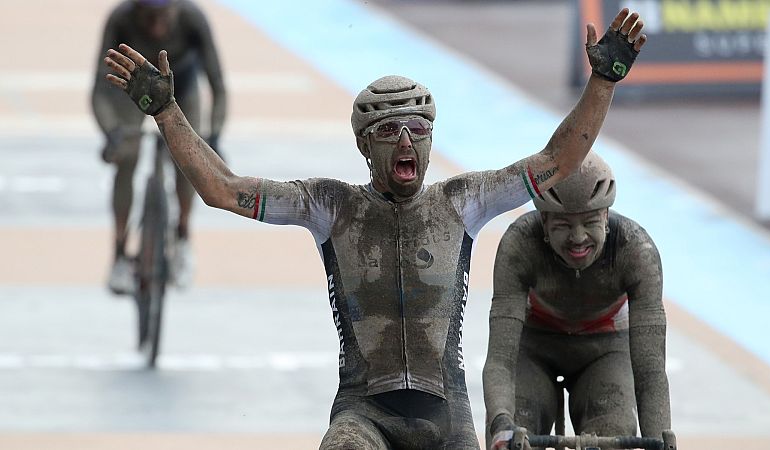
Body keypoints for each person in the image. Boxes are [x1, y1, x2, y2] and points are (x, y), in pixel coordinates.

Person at [102, 7, 645, 448]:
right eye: (390, 131)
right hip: (365, 415)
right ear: (364, 144)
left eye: (418, 130)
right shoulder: (329, 205)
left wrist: (603, 82)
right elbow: (221, 189)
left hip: (447, 419)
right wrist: (168, 111)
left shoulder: (463, 202)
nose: (407, 143)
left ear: (431, 141)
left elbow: (559, 159)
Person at [482, 152, 672, 450]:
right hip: (535, 348)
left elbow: (650, 370)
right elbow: (500, 361)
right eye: (563, 225)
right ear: (543, 222)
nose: (578, 237)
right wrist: (500, 423)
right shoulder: (519, 244)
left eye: (590, 222)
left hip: (605, 350)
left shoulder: (636, 250)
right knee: (518, 431)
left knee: (615, 429)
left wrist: (662, 437)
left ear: (606, 217)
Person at [91, 0, 227, 294]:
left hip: (183, 89)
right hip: (132, 90)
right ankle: (118, 251)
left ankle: (182, 233)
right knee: (126, 155)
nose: (155, 27)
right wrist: (112, 133)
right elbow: (98, 91)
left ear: (176, 10)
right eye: (147, 18)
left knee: (190, 158)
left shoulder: (193, 19)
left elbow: (218, 86)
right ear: (134, 11)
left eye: (162, 17)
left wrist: (214, 136)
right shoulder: (120, 20)